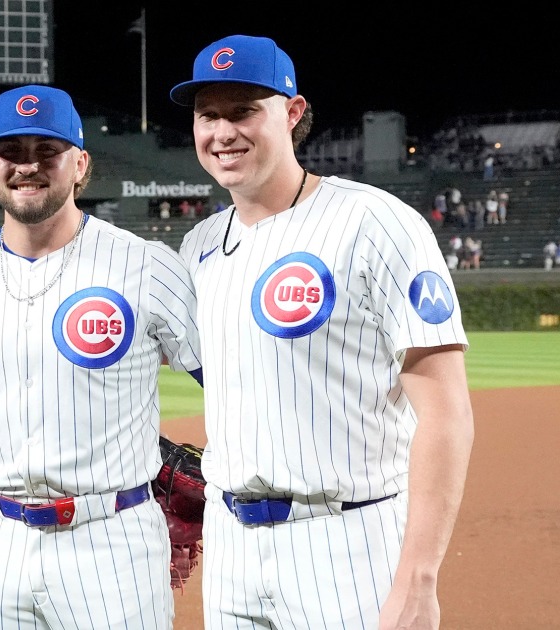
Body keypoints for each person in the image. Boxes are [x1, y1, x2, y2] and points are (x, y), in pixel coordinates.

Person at [169, 34, 474, 629]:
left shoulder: (376, 224)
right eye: (209, 115)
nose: (223, 132)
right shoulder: (199, 246)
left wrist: (418, 578)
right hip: (232, 550)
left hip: (348, 543)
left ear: (293, 112)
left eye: (243, 111)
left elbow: (447, 412)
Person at [0, 85, 203, 629]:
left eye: (45, 150)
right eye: (12, 151)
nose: (27, 165)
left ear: (80, 164)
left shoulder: (146, 266)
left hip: (112, 540)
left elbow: (233, 384)